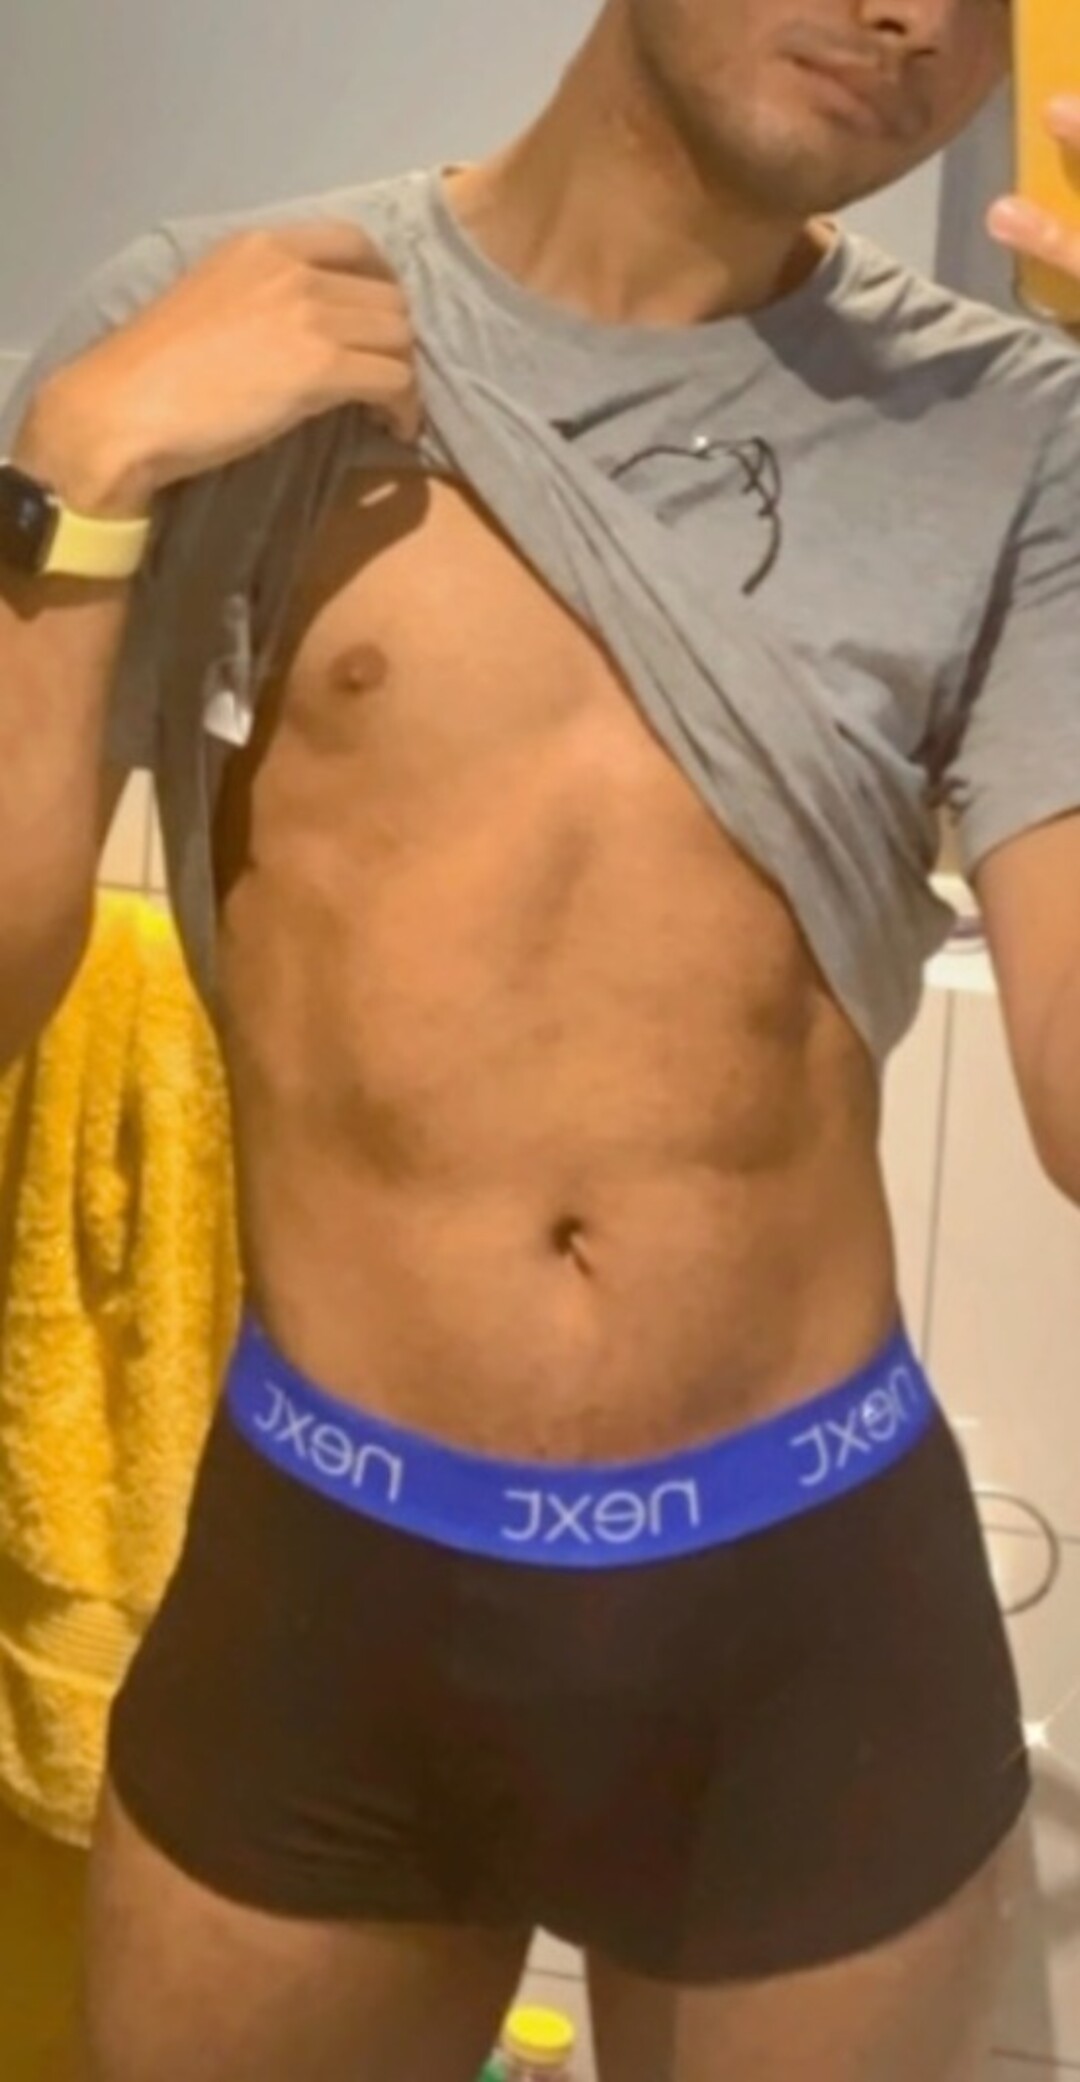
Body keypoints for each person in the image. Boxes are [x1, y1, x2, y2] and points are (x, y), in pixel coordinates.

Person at [1, 3, 1079, 2078]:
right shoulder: (213, 332)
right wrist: (72, 471)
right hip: (332, 1581)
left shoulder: (1017, 429)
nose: (911, 14)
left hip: (809, 1616)